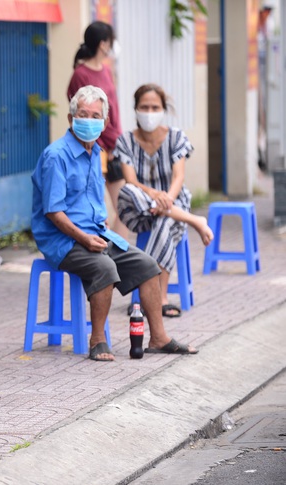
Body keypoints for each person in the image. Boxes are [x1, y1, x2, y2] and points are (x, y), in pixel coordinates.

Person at [31, 85, 198, 362]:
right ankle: (98, 340)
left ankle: (158, 337)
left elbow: (95, 200)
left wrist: (98, 225)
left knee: (147, 265)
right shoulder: (56, 155)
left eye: (95, 115)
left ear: (105, 122)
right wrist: (84, 239)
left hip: (95, 234)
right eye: (83, 114)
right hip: (61, 239)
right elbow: (54, 213)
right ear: (71, 119)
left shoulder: (96, 152)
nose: (89, 120)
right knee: (104, 266)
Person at [115, 84, 213, 318]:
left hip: (172, 202)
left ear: (163, 109)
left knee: (162, 223)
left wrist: (166, 199)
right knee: (127, 191)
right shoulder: (125, 141)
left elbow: (179, 176)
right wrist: (153, 195)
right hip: (138, 207)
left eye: (154, 107)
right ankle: (194, 220)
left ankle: (153, 298)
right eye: (144, 107)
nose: (149, 112)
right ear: (136, 109)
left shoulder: (176, 137)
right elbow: (131, 181)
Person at [67, 21, 128, 238]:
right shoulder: (81, 74)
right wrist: (104, 144)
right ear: (103, 43)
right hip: (94, 149)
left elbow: (113, 110)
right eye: (110, 40)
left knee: (127, 208)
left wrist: (116, 143)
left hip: (113, 147)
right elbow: (83, 116)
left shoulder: (106, 70)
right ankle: (104, 257)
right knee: (96, 209)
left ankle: (117, 254)